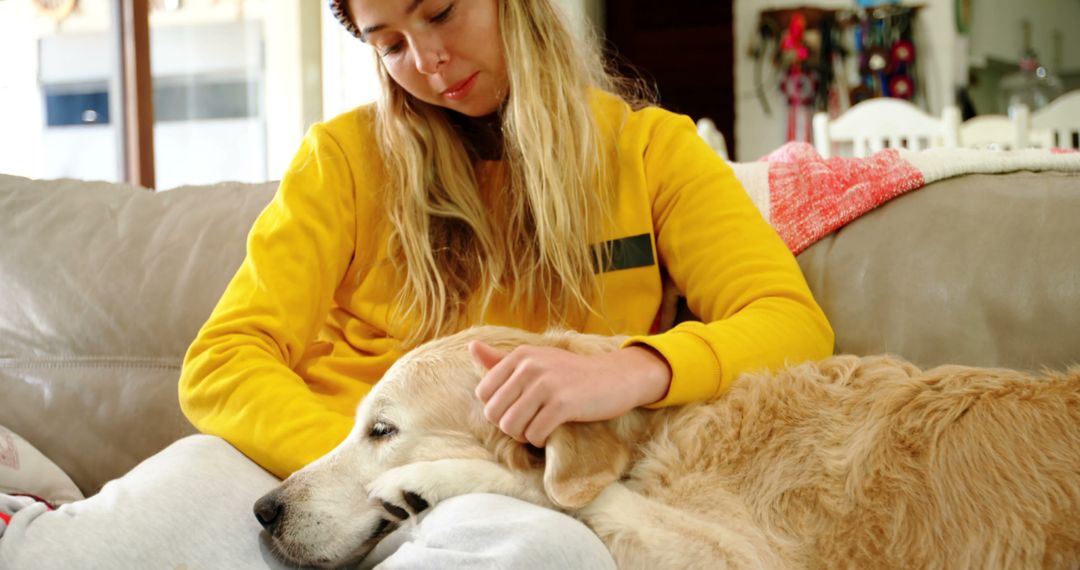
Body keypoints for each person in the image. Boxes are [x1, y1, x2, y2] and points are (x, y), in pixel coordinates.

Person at [0, 1, 833, 568]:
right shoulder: (344, 158)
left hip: (508, 496)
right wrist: (360, 462)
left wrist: (637, 366)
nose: (427, 62)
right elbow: (224, 358)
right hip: (306, 468)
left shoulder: (653, 152)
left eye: (439, 10)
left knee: (544, 554)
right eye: (387, 40)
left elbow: (788, 321)